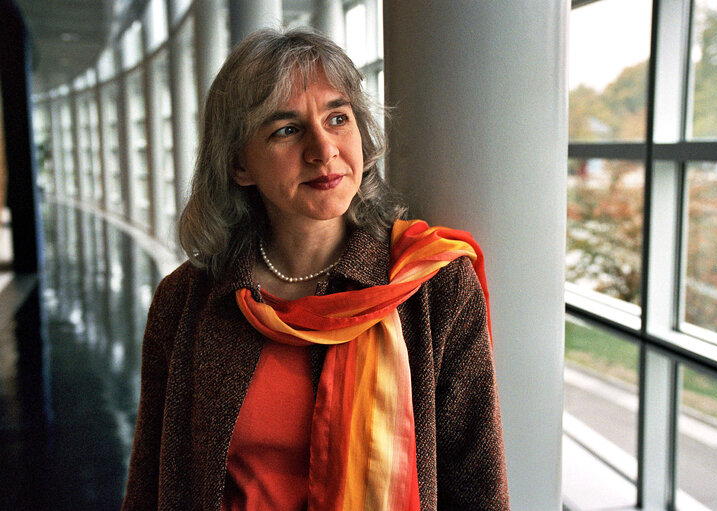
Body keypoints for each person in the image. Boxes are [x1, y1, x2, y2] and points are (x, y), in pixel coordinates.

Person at [122, 28, 509, 511]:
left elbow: (478, 488)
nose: (323, 150)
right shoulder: (185, 302)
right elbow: (149, 481)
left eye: (338, 118)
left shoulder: (434, 286)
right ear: (239, 164)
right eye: (286, 129)